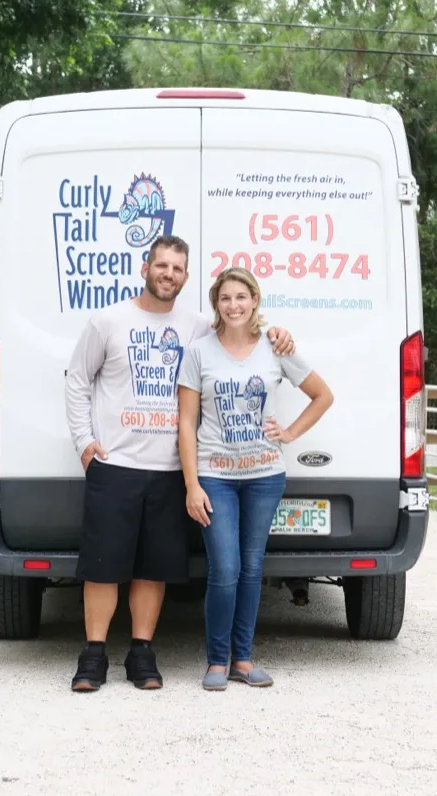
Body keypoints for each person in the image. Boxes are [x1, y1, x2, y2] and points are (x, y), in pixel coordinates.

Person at [65, 237, 295, 693]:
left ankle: (141, 653)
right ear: (145, 267)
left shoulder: (196, 329)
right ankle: (93, 656)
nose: (168, 273)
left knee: (152, 567)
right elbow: (77, 379)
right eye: (161, 265)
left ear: (186, 278)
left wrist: (276, 334)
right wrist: (85, 442)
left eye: (177, 268)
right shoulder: (109, 320)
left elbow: (237, 342)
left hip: (169, 469)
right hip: (116, 464)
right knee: (103, 566)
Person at [178, 268, 334, 691]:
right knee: (224, 568)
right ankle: (216, 660)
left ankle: (243, 660)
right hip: (216, 477)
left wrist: (290, 433)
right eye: (225, 298)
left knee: (251, 569)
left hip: (265, 476)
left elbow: (323, 395)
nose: (233, 305)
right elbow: (186, 423)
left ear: (254, 300)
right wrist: (192, 484)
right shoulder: (199, 353)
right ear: (217, 303)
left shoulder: (275, 347)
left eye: (241, 297)